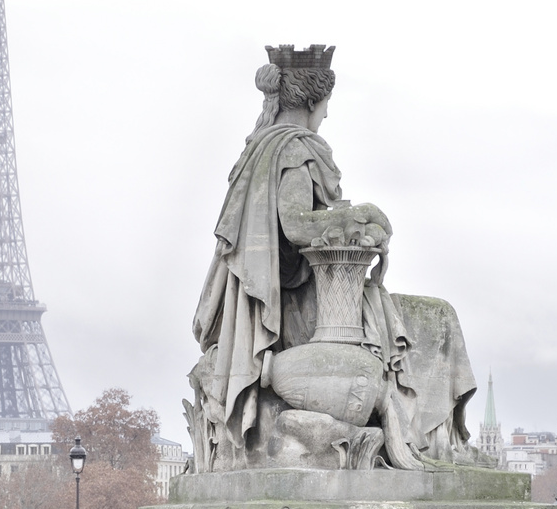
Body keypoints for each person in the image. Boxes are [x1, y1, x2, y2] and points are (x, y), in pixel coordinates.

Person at [192, 44, 478, 471]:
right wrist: (359, 214)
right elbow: (295, 225)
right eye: (325, 106)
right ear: (312, 100)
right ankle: (439, 444)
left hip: (291, 299)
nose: (325, 116)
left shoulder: (261, 148)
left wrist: (343, 215)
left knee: (427, 315)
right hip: (306, 307)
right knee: (440, 320)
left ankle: (440, 442)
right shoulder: (295, 148)